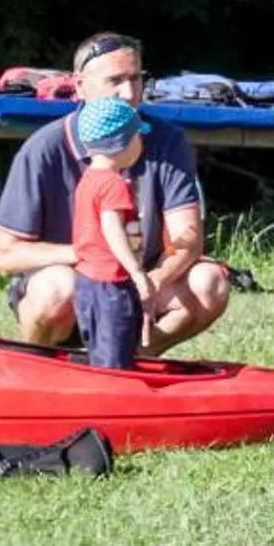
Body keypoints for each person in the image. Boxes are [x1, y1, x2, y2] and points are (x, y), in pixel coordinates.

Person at [0, 32, 233, 354]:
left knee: (210, 282)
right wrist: (87, 254)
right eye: (115, 80)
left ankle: (135, 359)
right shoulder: (44, 148)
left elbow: (187, 237)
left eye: (136, 79)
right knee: (56, 289)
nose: (129, 93)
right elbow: (7, 256)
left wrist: (154, 280)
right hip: (72, 284)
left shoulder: (167, 140)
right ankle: (45, 364)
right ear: (80, 86)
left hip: (139, 281)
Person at [67, 97, 156, 370]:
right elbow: (112, 230)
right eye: (138, 137)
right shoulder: (113, 184)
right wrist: (137, 273)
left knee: (99, 348)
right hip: (111, 285)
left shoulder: (88, 179)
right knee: (114, 359)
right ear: (123, 142)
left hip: (85, 283)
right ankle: (115, 400)